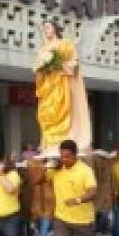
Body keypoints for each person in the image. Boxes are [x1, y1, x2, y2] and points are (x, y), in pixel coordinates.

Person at [48, 140, 107, 236]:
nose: (63, 160)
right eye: (61, 156)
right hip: (61, 218)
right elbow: (38, 180)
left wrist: (78, 200)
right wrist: (48, 165)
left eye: (67, 157)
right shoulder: (56, 170)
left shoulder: (85, 170)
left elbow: (93, 191)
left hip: (82, 219)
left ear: (75, 155)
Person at [34, 20, 91, 153]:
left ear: (55, 29)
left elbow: (75, 62)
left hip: (62, 83)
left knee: (63, 110)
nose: (46, 30)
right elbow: (37, 69)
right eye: (44, 28)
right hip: (48, 86)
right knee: (46, 113)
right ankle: (49, 144)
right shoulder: (42, 49)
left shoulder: (65, 44)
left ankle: (63, 142)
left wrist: (59, 65)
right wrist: (43, 68)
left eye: (48, 27)